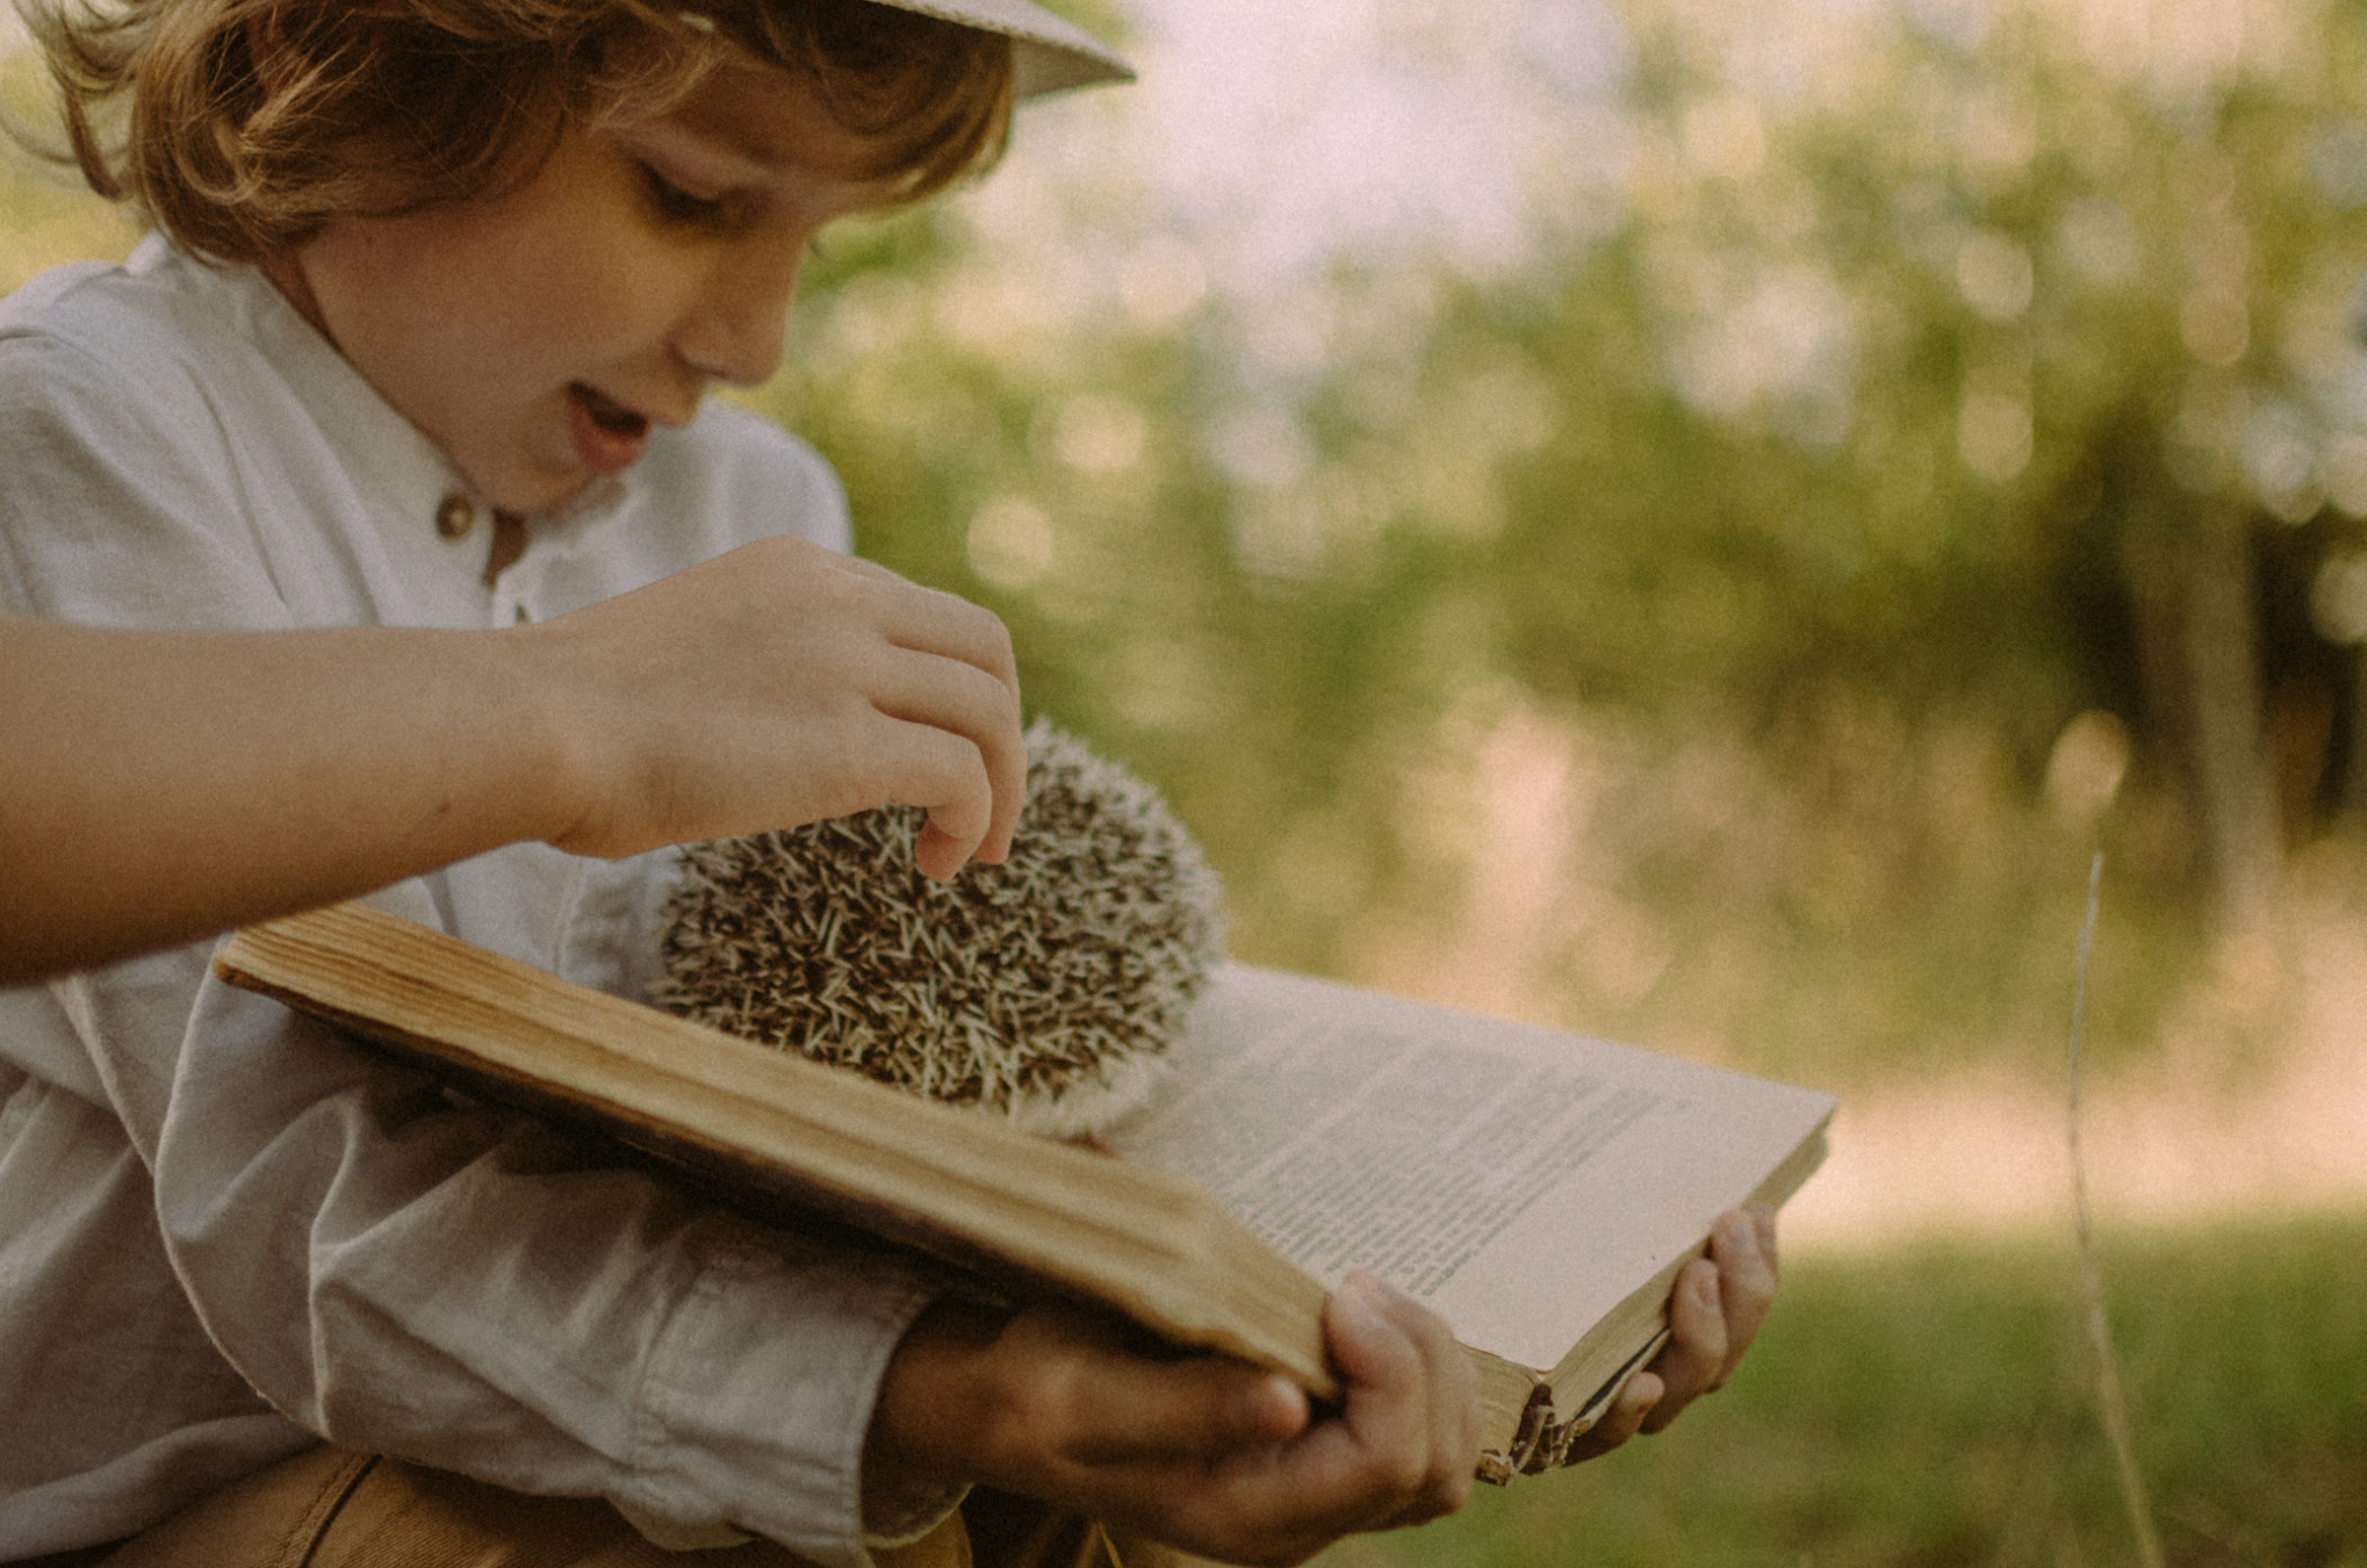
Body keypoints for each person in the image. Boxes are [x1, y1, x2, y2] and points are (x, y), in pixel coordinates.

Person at [0, 3, 1780, 1566]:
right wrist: (929, 1398)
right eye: (692, 197)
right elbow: (309, 1220)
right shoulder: (98, 429)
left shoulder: (751, 521)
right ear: (343, 54)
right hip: (181, 1501)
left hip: (628, 1433)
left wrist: (1270, 1349)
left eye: (820, 238)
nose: (755, 339)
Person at [0, 571, 1028, 987]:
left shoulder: (763, 496)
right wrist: (587, 711)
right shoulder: (80, 405)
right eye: (684, 197)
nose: (757, 350)